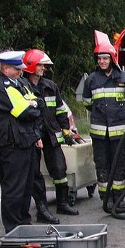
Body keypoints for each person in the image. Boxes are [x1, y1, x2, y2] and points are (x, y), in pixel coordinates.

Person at [0, 50, 42, 233]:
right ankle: (13, 227)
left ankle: (24, 223)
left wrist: (33, 104)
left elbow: (39, 103)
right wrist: (31, 105)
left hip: (26, 140)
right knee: (13, 188)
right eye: (17, 69)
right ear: (5, 68)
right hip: (11, 143)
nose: (21, 71)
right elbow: (23, 111)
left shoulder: (21, 83)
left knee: (26, 186)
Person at [23, 48, 80, 221]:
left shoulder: (50, 86)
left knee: (59, 168)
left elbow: (61, 110)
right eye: (40, 65)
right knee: (34, 173)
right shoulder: (22, 87)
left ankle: (62, 204)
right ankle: (42, 208)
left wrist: (65, 129)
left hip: (52, 134)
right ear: (31, 65)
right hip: (33, 135)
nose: (43, 68)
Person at [81, 41, 125, 210]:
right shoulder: (91, 80)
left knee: (118, 165)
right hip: (99, 133)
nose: (102, 61)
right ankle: (106, 197)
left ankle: (118, 197)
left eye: (105, 58)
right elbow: (87, 102)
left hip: (119, 132)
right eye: (100, 59)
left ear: (112, 58)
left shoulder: (124, 79)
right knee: (102, 164)